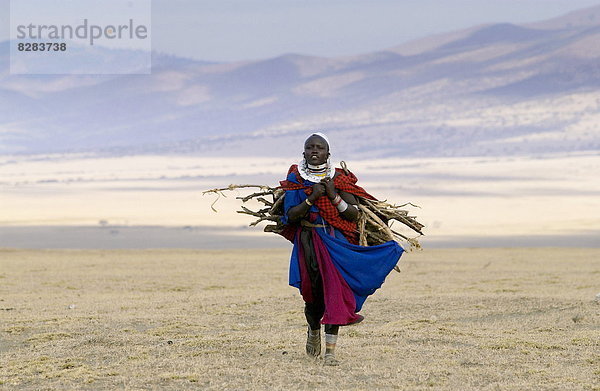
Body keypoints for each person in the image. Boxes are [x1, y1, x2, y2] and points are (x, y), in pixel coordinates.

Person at [278, 132, 404, 366]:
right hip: (308, 240)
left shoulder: (340, 178)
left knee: (333, 291)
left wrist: (334, 195)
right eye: (310, 147)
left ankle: (330, 353)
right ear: (303, 152)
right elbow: (290, 216)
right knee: (312, 295)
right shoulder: (296, 178)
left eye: (320, 148)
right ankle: (313, 329)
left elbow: (353, 214)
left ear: (328, 153)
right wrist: (311, 198)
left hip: (335, 241)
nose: (314, 151)